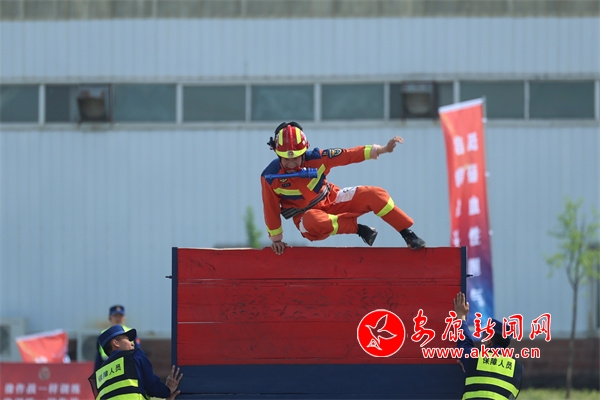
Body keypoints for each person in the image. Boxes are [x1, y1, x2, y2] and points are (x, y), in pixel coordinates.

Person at [261, 121, 426, 255]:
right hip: (308, 220)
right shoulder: (269, 177)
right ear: (277, 154)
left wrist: (383, 149)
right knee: (312, 219)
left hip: (332, 199)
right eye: (286, 159)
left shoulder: (318, 158)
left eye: (296, 158)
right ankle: (359, 229)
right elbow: (270, 208)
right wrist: (276, 240)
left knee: (374, 194)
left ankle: (408, 234)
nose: (291, 164)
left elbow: (348, 154)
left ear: (304, 152)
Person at [453, 292, 524, 399]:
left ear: (488, 341)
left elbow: (464, 343)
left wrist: (461, 316)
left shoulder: (475, 358)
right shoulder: (518, 368)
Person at [89, 324, 183, 400]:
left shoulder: (98, 375)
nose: (132, 343)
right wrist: (168, 390)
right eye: (127, 339)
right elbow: (152, 387)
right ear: (115, 343)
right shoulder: (135, 356)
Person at [94, 305, 141, 370]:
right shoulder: (103, 333)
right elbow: (98, 356)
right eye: (115, 316)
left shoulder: (131, 332)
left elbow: (138, 352)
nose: (118, 318)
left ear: (124, 318)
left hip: (127, 366)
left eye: (120, 316)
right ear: (110, 318)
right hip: (107, 366)